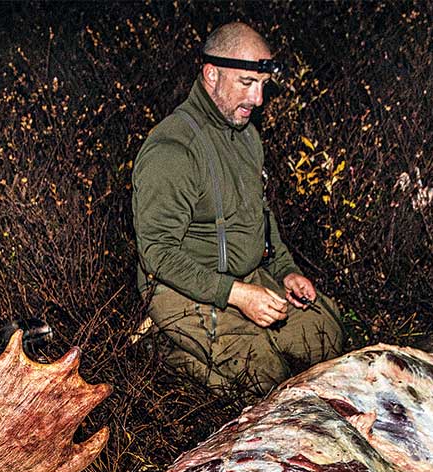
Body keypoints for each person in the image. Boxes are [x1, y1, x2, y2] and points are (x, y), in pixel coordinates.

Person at [131, 22, 344, 397]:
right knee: (263, 376)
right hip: (183, 288)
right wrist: (237, 295)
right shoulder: (172, 149)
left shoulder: (246, 136)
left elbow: (261, 217)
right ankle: (162, 348)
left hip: (246, 277)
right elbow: (157, 254)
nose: (258, 99)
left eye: (263, 86)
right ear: (211, 75)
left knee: (325, 336)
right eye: (246, 83)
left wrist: (286, 271)